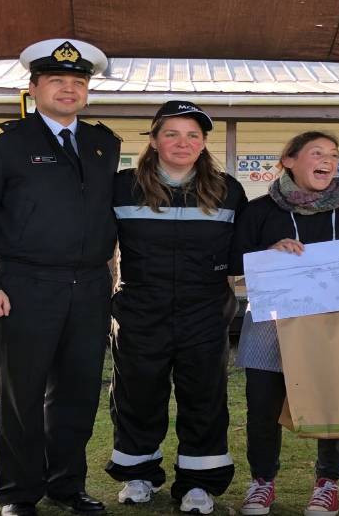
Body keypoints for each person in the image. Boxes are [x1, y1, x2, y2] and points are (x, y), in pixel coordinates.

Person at [0, 39, 120, 516]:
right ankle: (19, 493)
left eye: (78, 83)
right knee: (22, 394)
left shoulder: (103, 142)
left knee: (79, 391)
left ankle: (68, 485)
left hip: (90, 286)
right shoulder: (2, 142)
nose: (69, 90)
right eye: (57, 81)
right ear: (35, 86)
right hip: (24, 285)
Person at [104, 101, 247, 514]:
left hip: (203, 314)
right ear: (153, 140)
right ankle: (138, 475)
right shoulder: (122, 186)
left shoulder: (227, 190)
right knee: (137, 396)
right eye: (172, 133)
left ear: (203, 144)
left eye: (193, 136)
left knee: (204, 398)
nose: (182, 143)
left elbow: (244, 252)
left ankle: (198, 483)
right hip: (139, 312)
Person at [231, 131, 339, 516]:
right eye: (317, 153)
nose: (328, 160)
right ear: (289, 160)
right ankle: (262, 482)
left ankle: (328, 483)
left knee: (334, 404)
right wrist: (270, 254)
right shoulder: (259, 211)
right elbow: (235, 264)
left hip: (334, 324)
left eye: (333, 154)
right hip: (269, 325)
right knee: (262, 406)